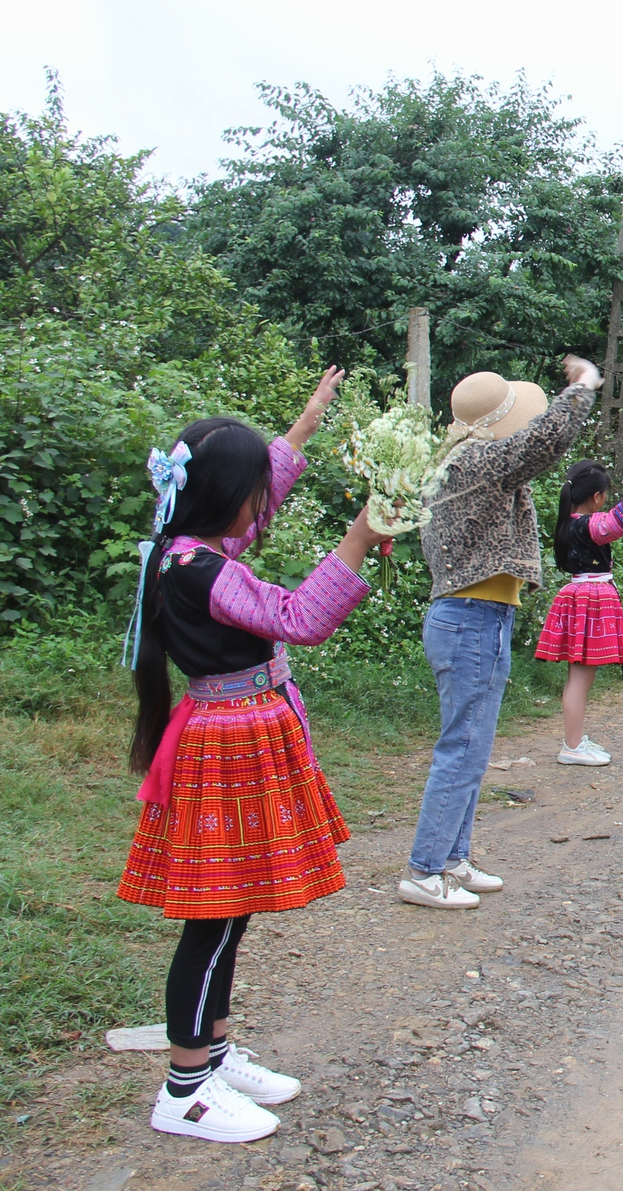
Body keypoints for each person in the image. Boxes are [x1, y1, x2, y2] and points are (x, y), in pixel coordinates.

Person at [119, 370, 390, 1143]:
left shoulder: (183, 548)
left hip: (238, 734)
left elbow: (255, 490)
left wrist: (304, 424)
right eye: (252, 494)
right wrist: (362, 536)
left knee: (230, 911)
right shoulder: (206, 571)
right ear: (221, 497)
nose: (260, 508)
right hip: (230, 741)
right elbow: (298, 616)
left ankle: (213, 1052)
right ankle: (185, 1089)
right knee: (213, 915)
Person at [406, 356, 602, 911]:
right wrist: (583, 386)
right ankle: (425, 869)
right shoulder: (476, 461)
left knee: (472, 747)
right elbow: (545, 440)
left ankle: (451, 859)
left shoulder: (460, 462)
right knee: (463, 748)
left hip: (475, 618)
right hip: (470, 619)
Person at [534, 460, 623, 764]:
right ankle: (572, 746)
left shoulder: (570, 523)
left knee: (578, 679)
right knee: (579, 680)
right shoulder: (586, 525)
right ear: (597, 497)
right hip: (590, 598)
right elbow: (613, 525)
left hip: (580, 595)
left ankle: (575, 741)